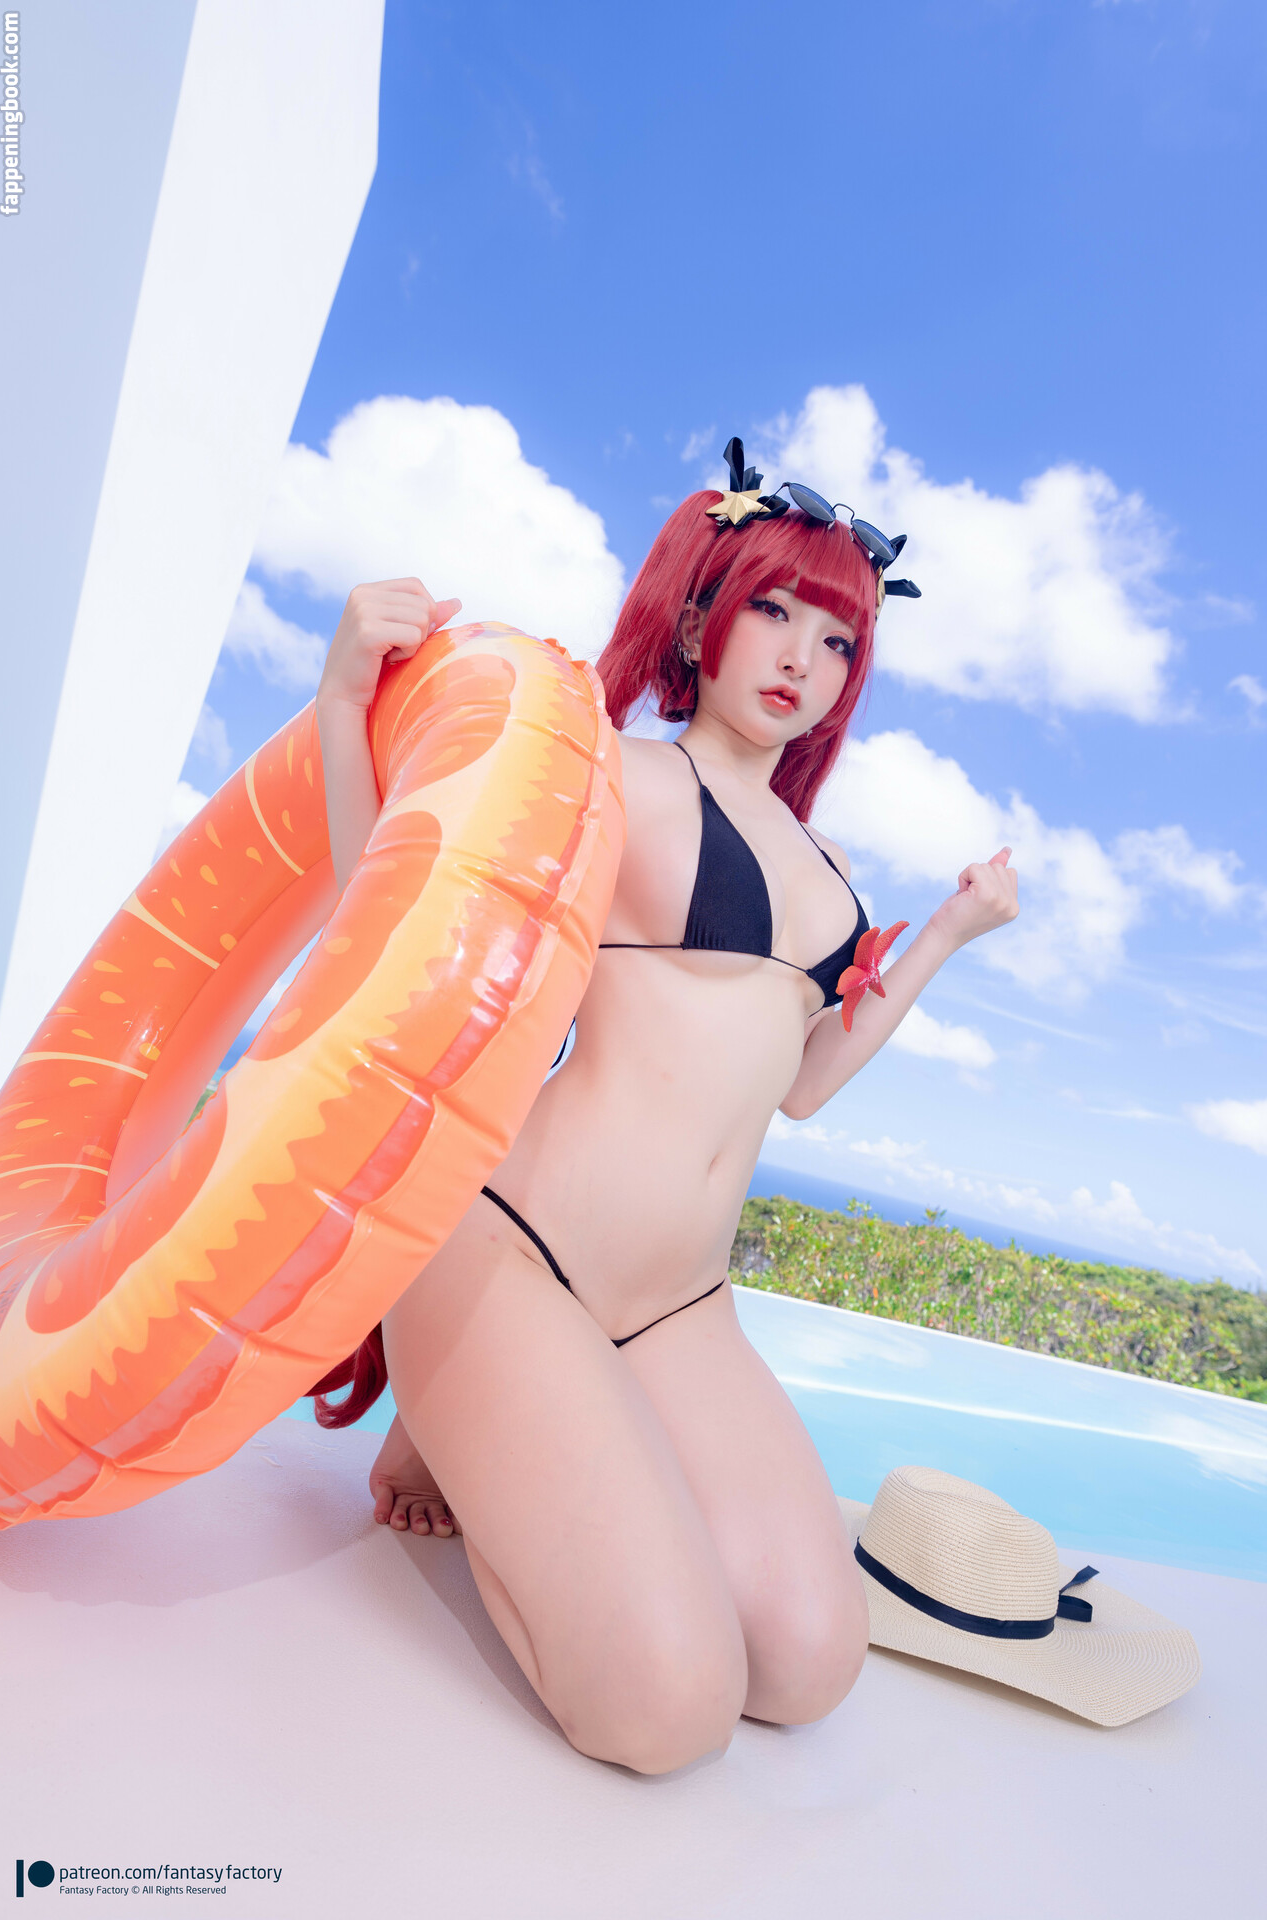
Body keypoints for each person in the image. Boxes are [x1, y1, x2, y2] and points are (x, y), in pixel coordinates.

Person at [313, 444, 1019, 1776]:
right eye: (773, 610)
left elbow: (804, 1082)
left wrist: (944, 939)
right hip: (518, 1253)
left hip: (680, 1301)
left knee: (807, 1667)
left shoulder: (829, 865)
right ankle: (461, 1420)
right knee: (669, 1711)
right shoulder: (613, 777)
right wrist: (347, 694)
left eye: (837, 638)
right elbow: (394, 929)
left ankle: (493, 1436)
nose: (803, 657)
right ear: (700, 621)